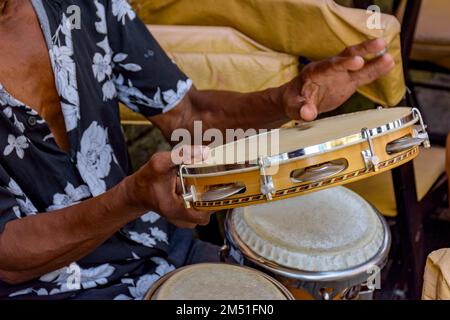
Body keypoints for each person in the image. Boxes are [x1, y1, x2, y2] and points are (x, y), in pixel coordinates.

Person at [0, 0, 395, 299]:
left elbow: (189, 115)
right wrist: (131, 198)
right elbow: (9, 259)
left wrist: (285, 99)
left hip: (158, 251)